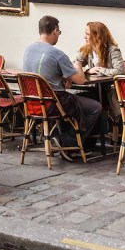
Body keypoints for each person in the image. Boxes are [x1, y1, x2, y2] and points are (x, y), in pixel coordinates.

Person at [22, 15, 102, 160]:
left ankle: (62, 139)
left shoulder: (28, 50)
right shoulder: (57, 54)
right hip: (53, 104)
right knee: (95, 107)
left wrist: (62, 77)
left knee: (74, 103)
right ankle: (68, 142)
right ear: (55, 31)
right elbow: (80, 80)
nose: (59, 35)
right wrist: (78, 64)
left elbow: (43, 73)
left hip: (31, 104)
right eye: (59, 32)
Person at [78, 21, 125, 120]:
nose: (84, 37)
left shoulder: (113, 50)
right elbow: (74, 65)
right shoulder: (87, 49)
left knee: (83, 101)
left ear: (97, 36)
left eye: (87, 34)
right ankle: (85, 132)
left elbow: (120, 71)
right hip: (94, 89)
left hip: (109, 92)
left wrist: (101, 70)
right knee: (75, 99)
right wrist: (88, 70)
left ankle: (96, 131)